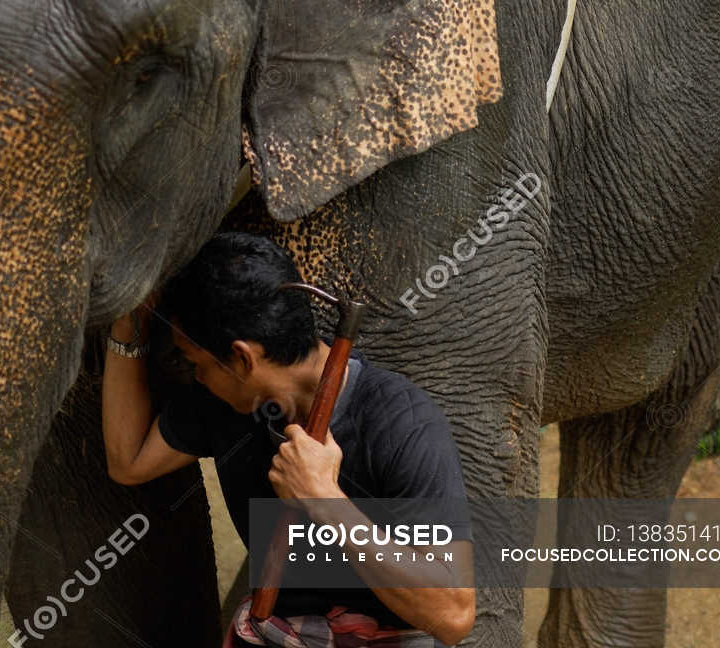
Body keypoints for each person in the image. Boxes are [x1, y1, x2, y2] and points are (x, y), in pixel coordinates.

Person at [101, 233, 475, 648]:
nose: (198, 378)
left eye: (197, 363)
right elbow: (128, 461)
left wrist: (325, 500)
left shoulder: (404, 424)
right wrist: (128, 324)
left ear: (243, 357)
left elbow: (453, 615)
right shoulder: (227, 402)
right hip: (276, 634)